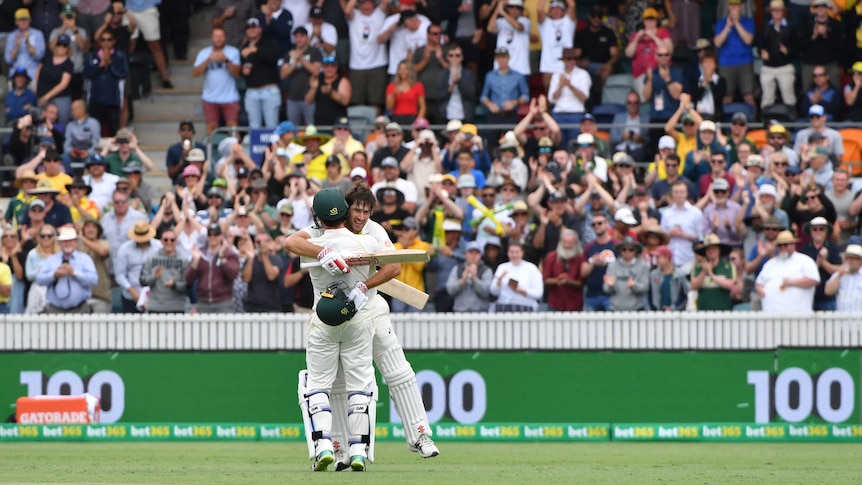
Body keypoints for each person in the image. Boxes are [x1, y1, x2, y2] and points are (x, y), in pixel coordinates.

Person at [284, 183, 439, 467]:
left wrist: (363, 286)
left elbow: (393, 267)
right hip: (335, 315)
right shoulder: (321, 231)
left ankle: (421, 435)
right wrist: (322, 253)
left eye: (367, 211)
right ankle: (343, 450)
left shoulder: (375, 231)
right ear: (345, 209)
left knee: (397, 370)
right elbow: (292, 242)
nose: (361, 217)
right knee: (340, 384)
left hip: (370, 308)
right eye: (357, 210)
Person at [298, 189, 394, 472]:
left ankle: (324, 445)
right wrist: (366, 284)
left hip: (323, 321)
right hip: (359, 319)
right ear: (345, 212)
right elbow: (395, 268)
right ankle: (358, 451)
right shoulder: (365, 241)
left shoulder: (311, 243)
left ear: (318, 217)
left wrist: (322, 251)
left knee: (317, 385)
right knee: (360, 385)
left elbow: (289, 242)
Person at [34, 227, 98, 313]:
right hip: (54, 310)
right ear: (60, 243)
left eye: (71, 241)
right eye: (64, 241)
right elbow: (39, 280)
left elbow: (93, 280)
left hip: (80, 309)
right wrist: (54, 275)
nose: (68, 244)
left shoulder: (85, 259)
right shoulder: (51, 260)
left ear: (76, 242)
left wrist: (74, 273)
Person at [756, 230, 820, 313]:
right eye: (780, 245)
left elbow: (814, 280)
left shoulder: (805, 260)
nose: (782, 248)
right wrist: (762, 292)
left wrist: (792, 282)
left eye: (785, 245)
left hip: (798, 316)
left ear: (793, 245)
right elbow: (759, 283)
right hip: (772, 316)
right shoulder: (770, 264)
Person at [193, 27, 241, 135]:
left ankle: (236, 150)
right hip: (210, 97)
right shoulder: (204, 53)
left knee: (233, 126)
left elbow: (237, 73)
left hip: (230, 96)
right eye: (216, 36)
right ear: (212, 38)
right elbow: (195, 73)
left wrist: (226, 60)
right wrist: (208, 60)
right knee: (211, 127)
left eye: (221, 36)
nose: (218, 39)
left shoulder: (233, 52)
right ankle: (210, 151)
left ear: (225, 38)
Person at [340, 0, 388, 108]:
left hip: (377, 63)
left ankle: (377, 125)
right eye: (363, 3)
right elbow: (347, 10)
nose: (366, 6)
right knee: (357, 101)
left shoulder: (379, 13)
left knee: (376, 101)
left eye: (369, 3)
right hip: (357, 65)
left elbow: (385, 2)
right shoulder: (354, 15)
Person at [185, 223, 240, 313]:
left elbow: (233, 274)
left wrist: (222, 257)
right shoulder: (200, 254)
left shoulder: (229, 253)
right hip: (203, 302)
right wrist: (195, 262)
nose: (212, 237)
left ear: (221, 236)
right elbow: (188, 280)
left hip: (223, 302)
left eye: (216, 234)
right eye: (210, 234)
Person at [84, 30, 128, 137]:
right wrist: (99, 65)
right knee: (94, 131)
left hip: (112, 99)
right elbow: (87, 74)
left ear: (113, 42)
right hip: (95, 99)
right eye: (103, 39)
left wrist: (110, 64)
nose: (106, 42)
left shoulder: (119, 55)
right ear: (99, 42)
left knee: (114, 130)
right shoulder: (92, 56)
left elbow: (123, 73)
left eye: (109, 39)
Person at [241, 17, 281, 129]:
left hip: (269, 90)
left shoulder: (268, 43)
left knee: (271, 126)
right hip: (252, 91)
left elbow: (273, 58)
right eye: (249, 28)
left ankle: (272, 147)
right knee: (254, 127)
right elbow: (240, 68)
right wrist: (243, 70)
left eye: (254, 27)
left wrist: (256, 50)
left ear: (260, 29)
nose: (251, 30)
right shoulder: (244, 47)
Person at [713, 0, 755, 107]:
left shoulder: (748, 21)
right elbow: (717, 43)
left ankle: (753, 122)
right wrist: (728, 26)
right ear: (728, 7)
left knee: (748, 96)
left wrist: (736, 22)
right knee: (727, 97)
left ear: (741, 6)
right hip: (726, 63)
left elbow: (748, 40)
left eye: (736, 5)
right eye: (731, 5)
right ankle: (725, 122)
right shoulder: (721, 23)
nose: (734, 8)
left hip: (745, 62)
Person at [115, 220, 162, 313]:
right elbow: (119, 274)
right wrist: (132, 291)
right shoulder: (125, 249)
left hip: (155, 295)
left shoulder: (158, 247)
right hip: (131, 295)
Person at [548, 48, 591, 148]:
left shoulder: (583, 74)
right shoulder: (556, 75)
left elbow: (584, 97)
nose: (572, 61)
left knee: (574, 145)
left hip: (576, 114)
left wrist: (569, 85)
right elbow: (551, 99)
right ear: (564, 60)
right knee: (559, 144)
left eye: (573, 59)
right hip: (559, 113)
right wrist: (560, 86)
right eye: (568, 59)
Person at [139, 228, 189, 313]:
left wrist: (174, 285)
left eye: (172, 240)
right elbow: (143, 281)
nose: (169, 242)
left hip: (176, 307)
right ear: (161, 241)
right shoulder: (151, 258)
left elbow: (187, 286)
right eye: (166, 240)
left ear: (176, 242)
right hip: (156, 307)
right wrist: (154, 277)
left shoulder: (184, 260)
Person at [125, 0, 173, 88]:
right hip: (129, 9)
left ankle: (165, 78)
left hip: (148, 8)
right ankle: (123, 75)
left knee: (155, 45)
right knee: (130, 43)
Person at [281, 26, 323, 127]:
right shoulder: (289, 54)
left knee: (310, 128)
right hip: (292, 98)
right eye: (296, 36)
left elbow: (316, 71)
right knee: (293, 129)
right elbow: (283, 74)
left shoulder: (314, 52)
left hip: (309, 97)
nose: (299, 39)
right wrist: (295, 62)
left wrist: (301, 59)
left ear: (307, 38)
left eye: (301, 36)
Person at [758, 0, 796, 111]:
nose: (777, 12)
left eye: (779, 10)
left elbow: (797, 46)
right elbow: (759, 42)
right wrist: (762, 51)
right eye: (774, 10)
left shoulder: (791, 26)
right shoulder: (765, 26)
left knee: (788, 97)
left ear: (783, 11)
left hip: (785, 66)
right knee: (767, 98)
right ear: (771, 12)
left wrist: (788, 51)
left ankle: (790, 120)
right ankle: (766, 120)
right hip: (768, 67)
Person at [799, 217, 841, 311]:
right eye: (815, 229)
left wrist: (823, 262)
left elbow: (838, 271)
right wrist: (818, 262)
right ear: (810, 231)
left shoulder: (833, 248)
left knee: (830, 325)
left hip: (828, 297)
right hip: (808, 296)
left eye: (821, 229)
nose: (818, 232)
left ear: (826, 231)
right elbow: (800, 273)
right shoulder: (804, 249)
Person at [660, 180, 703, 274]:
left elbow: (700, 237)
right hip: (671, 261)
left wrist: (683, 235)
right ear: (672, 194)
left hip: (689, 259)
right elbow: (662, 238)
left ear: (686, 193)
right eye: (676, 192)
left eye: (681, 192)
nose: (679, 195)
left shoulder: (696, 213)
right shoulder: (666, 213)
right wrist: (670, 233)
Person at [489, 240, 542, 312]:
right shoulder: (502, 267)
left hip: (525, 307)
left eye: (517, 252)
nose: (514, 255)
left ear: (522, 253)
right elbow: (493, 292)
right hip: (504, 306)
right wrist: (499, 280)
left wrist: (521, 290)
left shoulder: (531, 268)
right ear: (508, 253)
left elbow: (538, 293)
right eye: (511, 252)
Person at [240, 232, 285, 312]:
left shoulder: (275, 258)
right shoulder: (250, 259)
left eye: (264, 241)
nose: (261, 244)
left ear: (269, 242)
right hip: (252, 306)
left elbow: (271, 276)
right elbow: (246, 279)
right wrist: (251, 259)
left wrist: (265, 255)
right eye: (258, 242)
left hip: (271, 306)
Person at [603, 235, 649, 311]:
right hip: (615, 310)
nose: (627, 252)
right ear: (620, 251)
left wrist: (634, 285)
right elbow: (606, 289)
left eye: (631, 249)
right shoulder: (612, 266)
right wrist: (610, 286)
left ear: (636, 251)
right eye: (624, 249)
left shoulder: (642, 266)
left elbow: (645, 287)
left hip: (636, 310)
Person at [542, 228, 584, 311]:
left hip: (575, 304)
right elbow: (545, 279)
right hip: (555, 303)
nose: (567, 245)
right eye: (565, 242)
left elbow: (582, 282)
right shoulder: (551, 257)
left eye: (570, 243)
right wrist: (558, 280)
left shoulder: (580, 258)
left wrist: (569, 281)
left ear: (575, 243)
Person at [690, 233, 736, 311]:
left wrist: (711, 274)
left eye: (714, 248)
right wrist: (704, 272)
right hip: (703, 312)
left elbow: (730, 285)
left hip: (723, 311)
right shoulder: (698, 267)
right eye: (708, 249)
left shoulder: (728, 266)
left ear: (719, 250)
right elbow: (694, 286)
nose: (711, 251)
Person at [536, 0, 575, 89]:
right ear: (549, 12)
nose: (556, 11)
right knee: (549, 94)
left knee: (566, 93)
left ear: (563, 11)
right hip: (548, 64)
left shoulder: (568, 21)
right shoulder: (545, 23)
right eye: (553, 9)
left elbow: (572, 5)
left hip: (565, 65)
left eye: (559, 9)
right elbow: (539, 9)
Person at [446, 240, 492, 312]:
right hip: (460, 312)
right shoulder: (457, 268)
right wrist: (462, 281)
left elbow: (486, 292)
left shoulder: (486, 270)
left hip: (480, 312)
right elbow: (450, 290)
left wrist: (475, 279)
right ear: (465, 254)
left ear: (480, 255)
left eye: (476, 253)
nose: (473, 256)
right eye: (471, 253)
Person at [77, 218, 111, 313]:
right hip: (81, 297)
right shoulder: (77, 245)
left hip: (101, 295)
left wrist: (81, 237)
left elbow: (102, 252)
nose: (90, 230)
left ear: (98, 230)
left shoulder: (104, 243)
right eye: (87, 227)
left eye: (94, 227)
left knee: (100, 327)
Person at [437, 44, 477, 123]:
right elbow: (439, 97)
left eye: (457, 55)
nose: (454, 58)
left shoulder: (469, 74)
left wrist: (459, 82)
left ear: (462, 57)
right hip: (447, 115)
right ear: (447, 57)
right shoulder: (443, 74)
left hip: (464, 115)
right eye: (451, 55)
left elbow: (471, 95)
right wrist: (450, 88)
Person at [307, 55, 351, 127]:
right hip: (320, 124)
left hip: (338, 126)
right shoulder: (318, 79)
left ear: (337, 67)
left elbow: (345, 101)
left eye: (332, 66)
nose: (329, 69)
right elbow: (308, 101)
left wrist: (331, 92)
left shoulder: (343, 80)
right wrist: (313, 88)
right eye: (326, 66)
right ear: (323, 68)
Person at [5, 8, 46, 80]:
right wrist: (17, 47)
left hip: (32, 73)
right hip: (16, 73)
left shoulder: (38, 34)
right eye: (20, 20)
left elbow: (40, 56)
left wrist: (28, 44)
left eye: (25, 19)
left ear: (30, 20)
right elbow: (8, 60)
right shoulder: (12, 36)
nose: (23, 22)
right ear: (16, 22)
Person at [648, 245, 689, 311]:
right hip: (657, 314)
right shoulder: (653, 275)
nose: (656, 259)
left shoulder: (679, 274)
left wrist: (673, 308)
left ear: (667, 257)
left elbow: (684, 296)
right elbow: (650, 295)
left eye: (658, 257)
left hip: (675, 315)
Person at [386, 60, 426, 125]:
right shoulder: (392, 86)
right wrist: (393, 94)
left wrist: (417, 122)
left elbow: (422, 107)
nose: (403, 71)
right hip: (397, 118)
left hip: (412, 117)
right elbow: (389, 107)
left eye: (405, 69)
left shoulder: (418, 86)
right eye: (400, 69)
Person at [825, 244, 862, 312]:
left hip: (859, 318)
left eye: (853, 258)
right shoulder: (839, 273)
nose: (850, 261)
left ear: (860, 261)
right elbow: (828, 291)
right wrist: (839, 275)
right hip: (842, 319)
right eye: (848, 258)